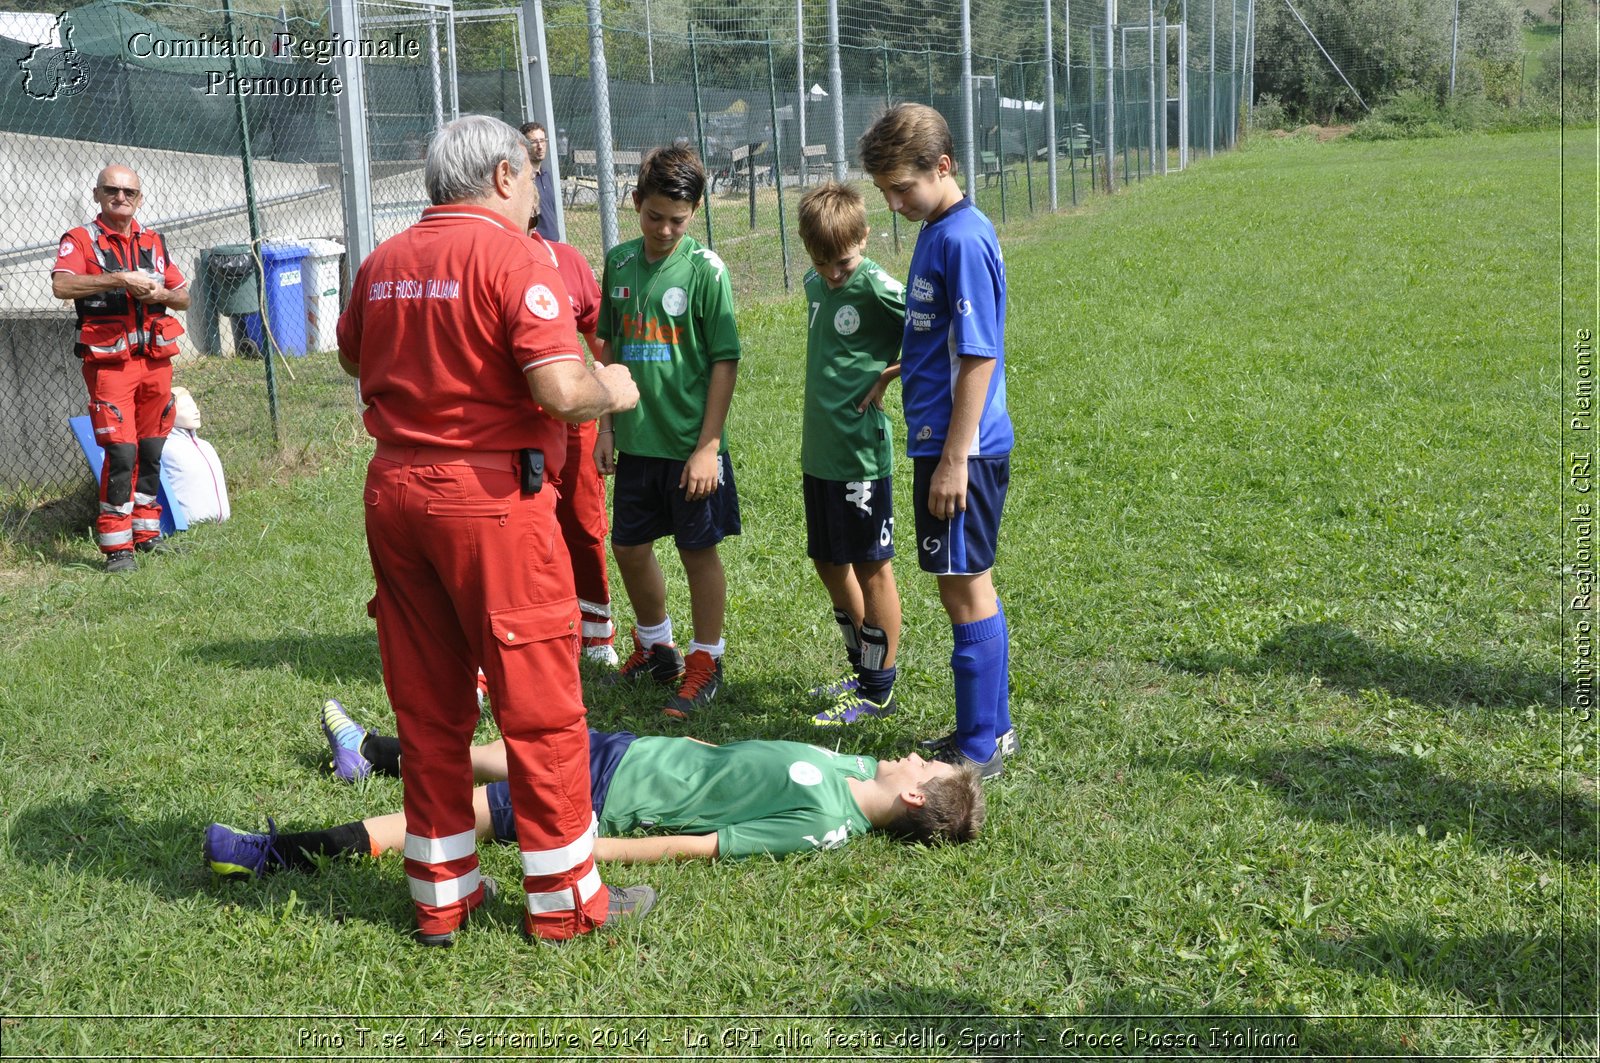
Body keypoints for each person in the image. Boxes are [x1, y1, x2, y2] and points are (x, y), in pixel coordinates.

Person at [335, 115, 647, 946]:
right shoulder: (516, 257)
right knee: (541, 705)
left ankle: (443, 897)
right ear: (505, 177)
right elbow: (556, 387)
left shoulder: (383, 260)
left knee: (429, 704)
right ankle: (567, 903)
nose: (536, 195)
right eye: (534, 180)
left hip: (394, 494)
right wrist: (612, 387)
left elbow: (351, 357)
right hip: (491, 502)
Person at [204, 697, 984, 875]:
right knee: (492, 751)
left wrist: (587, 846)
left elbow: (701, 843)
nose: (912, 758)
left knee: (454, 816)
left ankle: (278, 852)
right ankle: (369, 750)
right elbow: (746, 753)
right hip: (631, 750)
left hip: (610, 796)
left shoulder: (822, 819)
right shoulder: (854, 778)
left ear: (914, 797)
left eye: (925, 767)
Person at [858, 104, 1016, 780]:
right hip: (947, 439)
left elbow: (978, 355)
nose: (894, 203)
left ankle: (982, 742)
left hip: (963, 449)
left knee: (964, 586)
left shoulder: (960, 239)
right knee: (964, 582)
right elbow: (946, 334)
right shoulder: (937, 227)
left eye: (903, 188)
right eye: (886, 191)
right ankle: (990, 728)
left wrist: (955, 457)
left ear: (942, 166)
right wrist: (907, 364)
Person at [594, 145, 742, 719]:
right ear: (636, 204)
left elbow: (724, 361)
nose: (663, 229)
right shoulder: (620, 262)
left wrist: (707, 447)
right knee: (629, 546)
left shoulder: (707, 271)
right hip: (636, 442)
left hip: (689, 448)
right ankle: (657, 646)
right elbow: (608, 350)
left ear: (695, 212)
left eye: (676, 220)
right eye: (654, 216)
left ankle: (707, 658)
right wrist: (607, 427)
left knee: (696, 550)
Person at [794, 183, 906, 727]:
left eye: (843, 261)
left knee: (872, 567)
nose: (834, 274)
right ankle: (862, 667)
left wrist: (892, 371)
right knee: (828, 562)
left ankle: (878, 689)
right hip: (820, 452)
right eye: (822, 262)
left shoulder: (879, 287)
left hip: (861, 455)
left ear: (864, 236)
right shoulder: (817, 285)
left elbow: (943, 331)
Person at [52, 164, 190, 573]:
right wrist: (118, 280)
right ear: (97, 194)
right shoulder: (80, 240)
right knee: (121, 451)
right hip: (111, 366)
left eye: (129, 192)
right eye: (112, 190)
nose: (121, 198)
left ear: (140, 199)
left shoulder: (153, 241)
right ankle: (117, 547)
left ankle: (147, 534)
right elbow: (62, 286)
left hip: (155, 361)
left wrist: (158, 290)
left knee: (151, 449)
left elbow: (182, 296)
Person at [526, 210, 618, 666]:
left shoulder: (565, 260)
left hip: (573, 419)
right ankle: (533, 637)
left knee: (583, 525)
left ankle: (597, 634)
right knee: (522, 534)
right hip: (514, 425)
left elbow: (602, 342)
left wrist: (608, 421)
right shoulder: (478, 263)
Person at [160, 386, 230, 524]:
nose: (196, 411)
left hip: (222, 523)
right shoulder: (166, 449)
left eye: (195, 406)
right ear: (169, 413)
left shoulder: (205, 445)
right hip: (190, 525)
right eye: (187, 408)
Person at [519, 121, 559, 242]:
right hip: (535, 246)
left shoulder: (546, 176)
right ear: (523, 145)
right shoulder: (521, 179)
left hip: (553, 245)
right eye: (534, 142)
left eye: (542, 141)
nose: (540, 146)